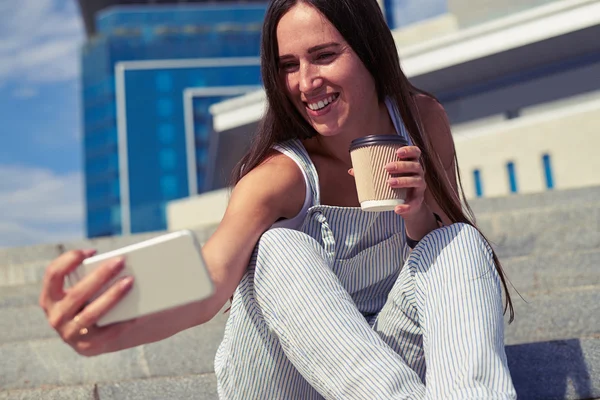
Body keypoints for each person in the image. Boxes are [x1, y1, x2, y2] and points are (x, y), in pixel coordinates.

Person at [39, 0, 517, 398]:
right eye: (289, 65)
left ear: (370, 51)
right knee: (279, 246)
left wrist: (416, 215)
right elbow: (208, 280)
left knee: (457, 240)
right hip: (279, 378)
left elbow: (445, 268)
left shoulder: (422, 121)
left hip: (380, 364)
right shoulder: (277, 177)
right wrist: (110, 329)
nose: (305, 83)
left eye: (324, 55)